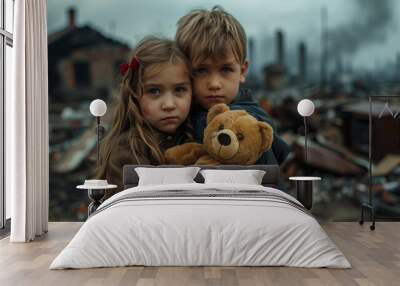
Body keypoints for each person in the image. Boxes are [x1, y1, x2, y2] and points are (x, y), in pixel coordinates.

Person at [175, 6, 291, 165]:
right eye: (201, 70)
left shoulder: (250, 122)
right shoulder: (180, 114)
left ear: (242, 71)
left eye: (226, 69)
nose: (214, 84)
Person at [96, 37, 193, 197]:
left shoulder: (195, 135)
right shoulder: (127, 151)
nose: (169, 104)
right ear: (134, 95)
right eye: (154, 91)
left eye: (179, 90)